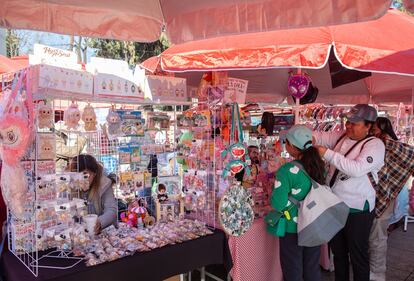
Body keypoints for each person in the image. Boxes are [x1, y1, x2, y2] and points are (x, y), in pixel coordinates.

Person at [313, 104, 385, 281]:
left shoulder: (375, 145)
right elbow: (320, 136)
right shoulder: (342, 137)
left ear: (368, 125)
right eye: (348, 122)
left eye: (355, 123)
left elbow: (357, 169)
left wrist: (327, 154)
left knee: (358, 256)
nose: (349, 126)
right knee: (338, 254)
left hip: (357, 209)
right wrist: (301, 133)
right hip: (335, 207)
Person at [267, 125, 326, 281]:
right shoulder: (319, 166)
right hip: (314, 223)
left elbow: (278, 204)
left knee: (292, 269)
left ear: (292, 146)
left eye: (286, 142)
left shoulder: (286, 170)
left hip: (292, 227)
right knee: (312, 268)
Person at [369, 117, 414, 281]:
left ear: (381, 129)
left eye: (373, 128)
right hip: (381, 196)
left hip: (382, 196)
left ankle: (376, 273)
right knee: (377, 236)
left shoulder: (386, 144)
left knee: (377, 236)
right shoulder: (379, 143)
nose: (371, 131)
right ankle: (375, 272)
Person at [69, 154, 117, 234]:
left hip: (101, 234)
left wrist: (100, 222)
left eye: (86, 175)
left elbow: (111, 209)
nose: (82, 180)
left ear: (94, 174)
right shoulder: (67, 186)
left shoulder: (104, 185)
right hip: (77, 236)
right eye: (77, 176)